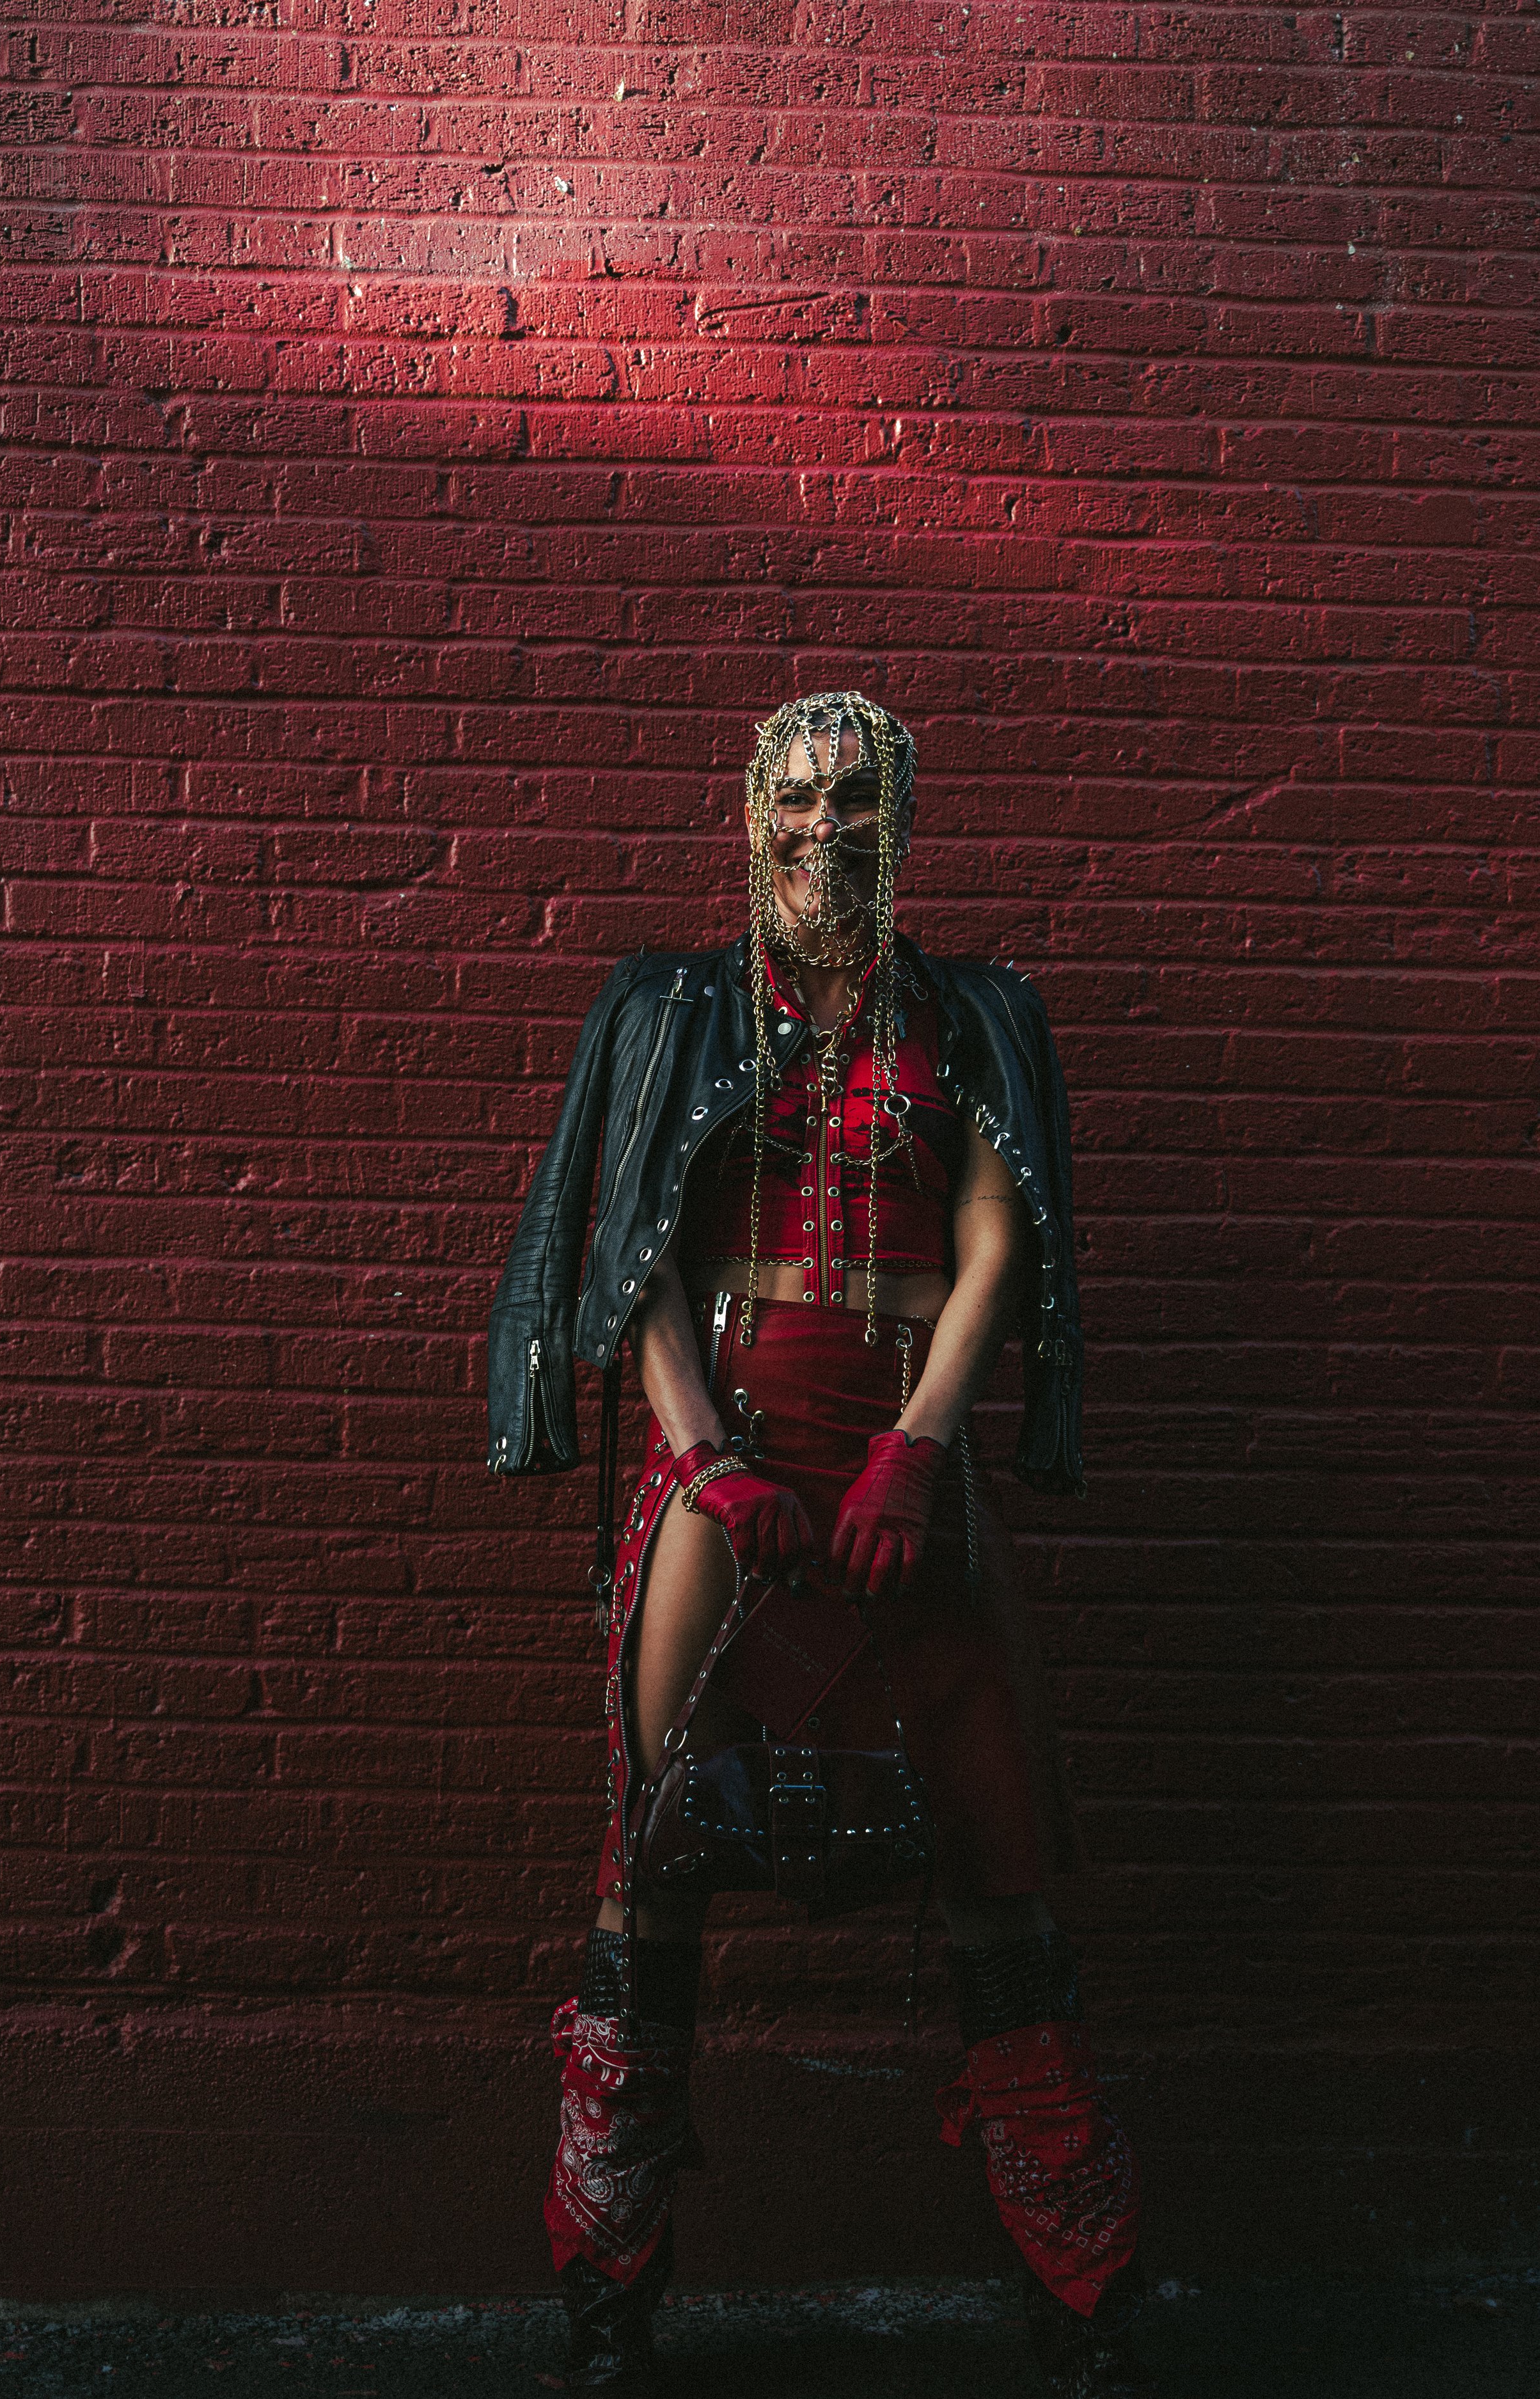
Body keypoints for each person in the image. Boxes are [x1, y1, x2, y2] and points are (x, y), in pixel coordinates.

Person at [487, 693, 1154, 2396]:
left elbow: (1001, 1242)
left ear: (898, 817)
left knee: (998, 1868)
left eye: (854, 801)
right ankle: (608, 2298)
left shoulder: (977, 1018)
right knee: (650, 1879)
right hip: (725, 1464)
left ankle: (1079, 2295)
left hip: (902, 1462)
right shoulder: (667, 1011)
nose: (821, 830)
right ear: (748, 810)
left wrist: (924, 1450)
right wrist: (705, 1461)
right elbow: (626, 1259)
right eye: (793, 798)